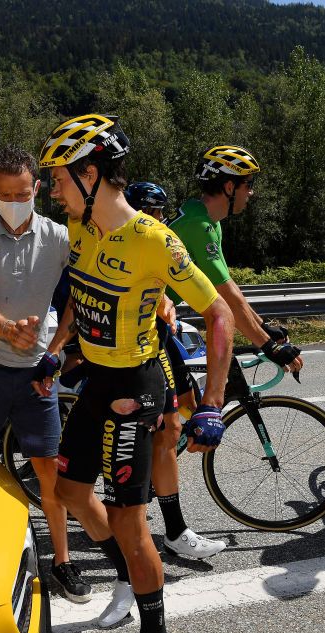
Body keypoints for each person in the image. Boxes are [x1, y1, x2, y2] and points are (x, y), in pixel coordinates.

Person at [34, 114, 235, 633]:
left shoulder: (153, 239)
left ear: (91, 175)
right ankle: (126, 576)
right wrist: (59, 348)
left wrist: (213, 405)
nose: (53, 190)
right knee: (71, 490)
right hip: (97, 378)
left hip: (136, 389)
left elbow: (219, 315)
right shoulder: (80, 228)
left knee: (128, 519)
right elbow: (79, 291)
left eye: (59, 178)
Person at [0, 145, 93, 604]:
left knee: (48, 473)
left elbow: (86, 291)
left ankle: (63, 562)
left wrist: (53, 350)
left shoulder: (59, 235)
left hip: (36, 372)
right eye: (3, 194)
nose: (13, 202)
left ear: (37, 189)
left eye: (21, 193)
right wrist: (8, 329)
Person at [126, 180, 226, 559]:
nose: (158, 220)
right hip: (140, 346)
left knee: (186, 407)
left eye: (161, 213)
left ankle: (156, 475)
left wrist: (165, 300)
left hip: (163, 337)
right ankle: (173, 527)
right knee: (169, 429)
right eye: (151, 212)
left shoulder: (157, 240)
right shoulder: (126, 237)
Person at [168, 146, 303, 373]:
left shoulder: (204, 217)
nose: (251, 193)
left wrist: (263, 326)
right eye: (248, 185)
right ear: (229, 187)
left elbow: (229, 286)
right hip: (144, 319)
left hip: (157, 315)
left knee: (188, 400)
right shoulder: (200, 226)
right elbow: (226, 295)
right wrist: (269, 347)